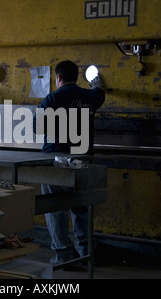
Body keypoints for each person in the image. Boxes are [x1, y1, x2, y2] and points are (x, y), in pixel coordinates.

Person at [35, 60, 105, 265]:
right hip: (83, 160)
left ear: (58, 78)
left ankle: (63, 256)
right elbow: (99, 90)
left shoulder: (52, 98)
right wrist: (96, 80)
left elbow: (37, 128)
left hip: (57, 160)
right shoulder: (90, 97)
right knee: (81, 207)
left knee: (56, 208)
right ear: (76, 77)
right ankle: (85, 255)